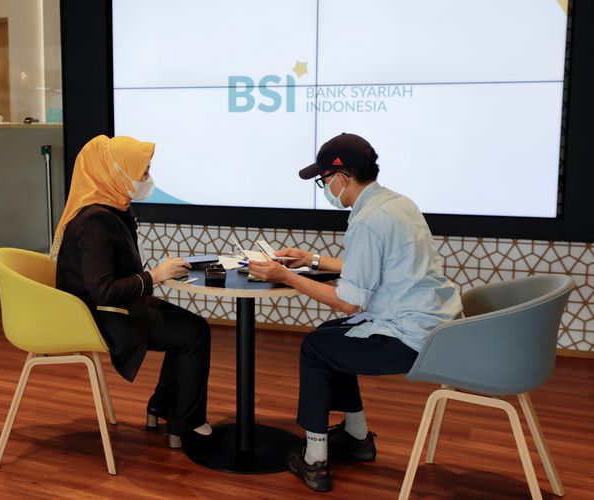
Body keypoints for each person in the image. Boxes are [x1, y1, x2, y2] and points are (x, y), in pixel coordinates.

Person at [248, 133, 463, 492]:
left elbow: (350, 301)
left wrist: (285, 275)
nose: (326, 188)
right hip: (436, 324)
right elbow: (367, 269)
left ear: (343, 177)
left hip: (410, 338)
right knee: (333, 335)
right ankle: (356, 436)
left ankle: (315, 460)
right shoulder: (398, 203)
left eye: (324, 181)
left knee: (316, 348)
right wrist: (311, 260)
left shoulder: (367, 220)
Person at [52, 134, 215, 448]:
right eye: (143, 172)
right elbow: (103, 291)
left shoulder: (109, 208)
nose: (148, 179)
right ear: (115, 172)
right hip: (104, 316)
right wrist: (154, 275)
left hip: (117, 307)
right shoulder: (95, 222)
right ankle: (183, 423)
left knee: (191, 327)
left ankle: (164, 407)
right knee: (194, 333)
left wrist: (154, 277)